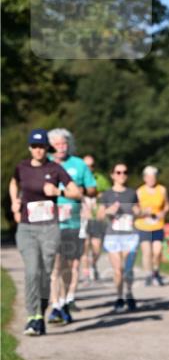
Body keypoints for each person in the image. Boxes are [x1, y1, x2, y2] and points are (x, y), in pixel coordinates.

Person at [9, 129, 82, 335]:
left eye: (41, 147)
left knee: (45, 273)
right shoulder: (21, 167)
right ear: (30, 148)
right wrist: (15, 201)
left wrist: (58, 191)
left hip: (49, 228)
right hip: (27, 228)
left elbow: (76, 193)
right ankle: (33, 317)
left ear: (47, 149)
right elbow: (14, 182)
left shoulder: (55, 169)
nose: (38, 150)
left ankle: (40, 312)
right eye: (34, 146)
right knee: (32, 271)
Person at [47, 129, 97, 324]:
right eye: (57, 144)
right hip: (51, 222)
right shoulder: (45, 165)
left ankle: (67, 299)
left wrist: (79, 191)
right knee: (56, 266)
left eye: (64, 144)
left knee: (73, 264)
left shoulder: (78, 164)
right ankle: (55, 306)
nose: (61, 148)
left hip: (75, 221)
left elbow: (92, 190)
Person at [98, 164, 140, 312]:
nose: (122, 174)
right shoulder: (107, 194)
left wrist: (139, 212)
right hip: (113, 237)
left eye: (125, 172)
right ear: (112, 175)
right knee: (118, 269)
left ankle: (129, 292)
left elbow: (137, 211)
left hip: (130, 236)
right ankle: (119, 297)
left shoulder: (132, 193)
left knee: (127, 269)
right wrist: (109, 210)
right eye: (118, 172)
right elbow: (100, 215)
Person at [136, 166, 169, 286]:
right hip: (143, 225)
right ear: (144, 178)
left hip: (158, 225)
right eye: (149, 176)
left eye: (153, 176)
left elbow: (167, 205)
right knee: (147, 252)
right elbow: (135, 209)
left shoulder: (162, 190)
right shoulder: (140, 191)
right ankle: (148, 275)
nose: (151, 179)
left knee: (157, 251)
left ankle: (156, 272)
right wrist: (143, 212)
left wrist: (163, 213)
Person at [81, 154, 111, 282]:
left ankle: (93, 264)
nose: (89, 168)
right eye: (86, 166)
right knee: (84, 245)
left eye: (91, 165)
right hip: (81, 218)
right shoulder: (76, 178)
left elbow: (110, 194)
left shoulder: (100, 179)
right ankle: (86, 271)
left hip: (96, 217)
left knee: (97, 246)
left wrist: (103, 203)